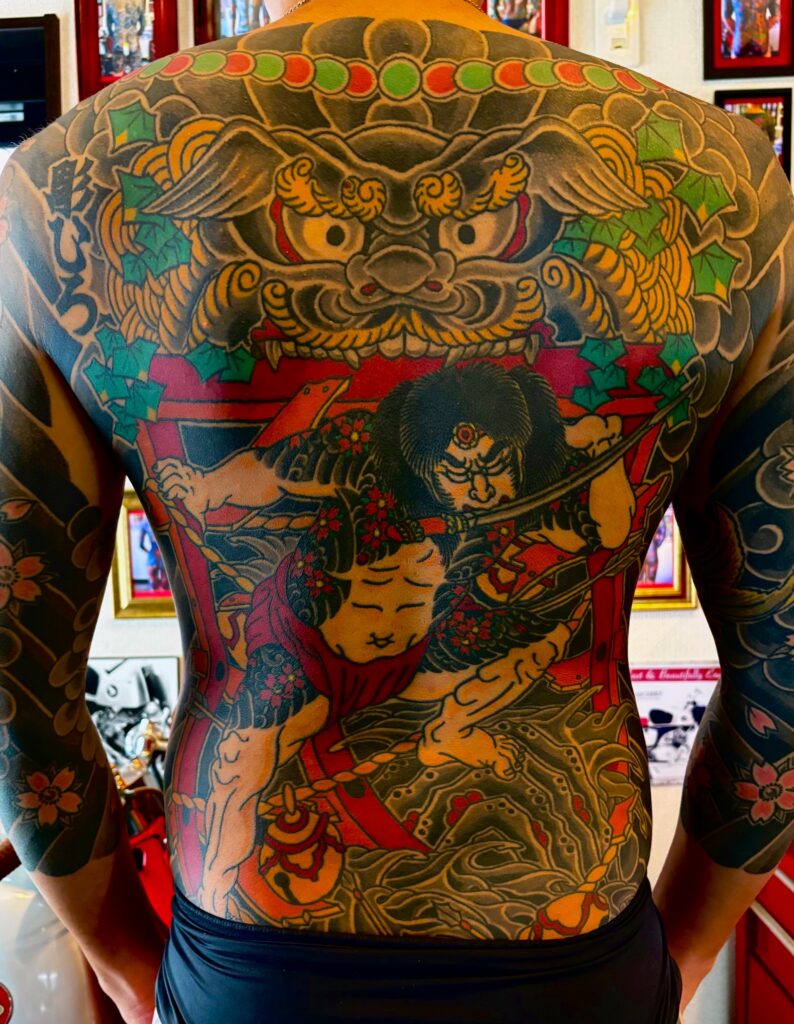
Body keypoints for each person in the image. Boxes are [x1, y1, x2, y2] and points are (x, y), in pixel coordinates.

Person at [0, 1, 791, 1022]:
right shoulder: (717, 182)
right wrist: (680, 951)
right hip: (571, 941)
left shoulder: (73, 184)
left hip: (251, 953)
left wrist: (125, 962)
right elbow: (783, 663)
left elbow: (16, 681)